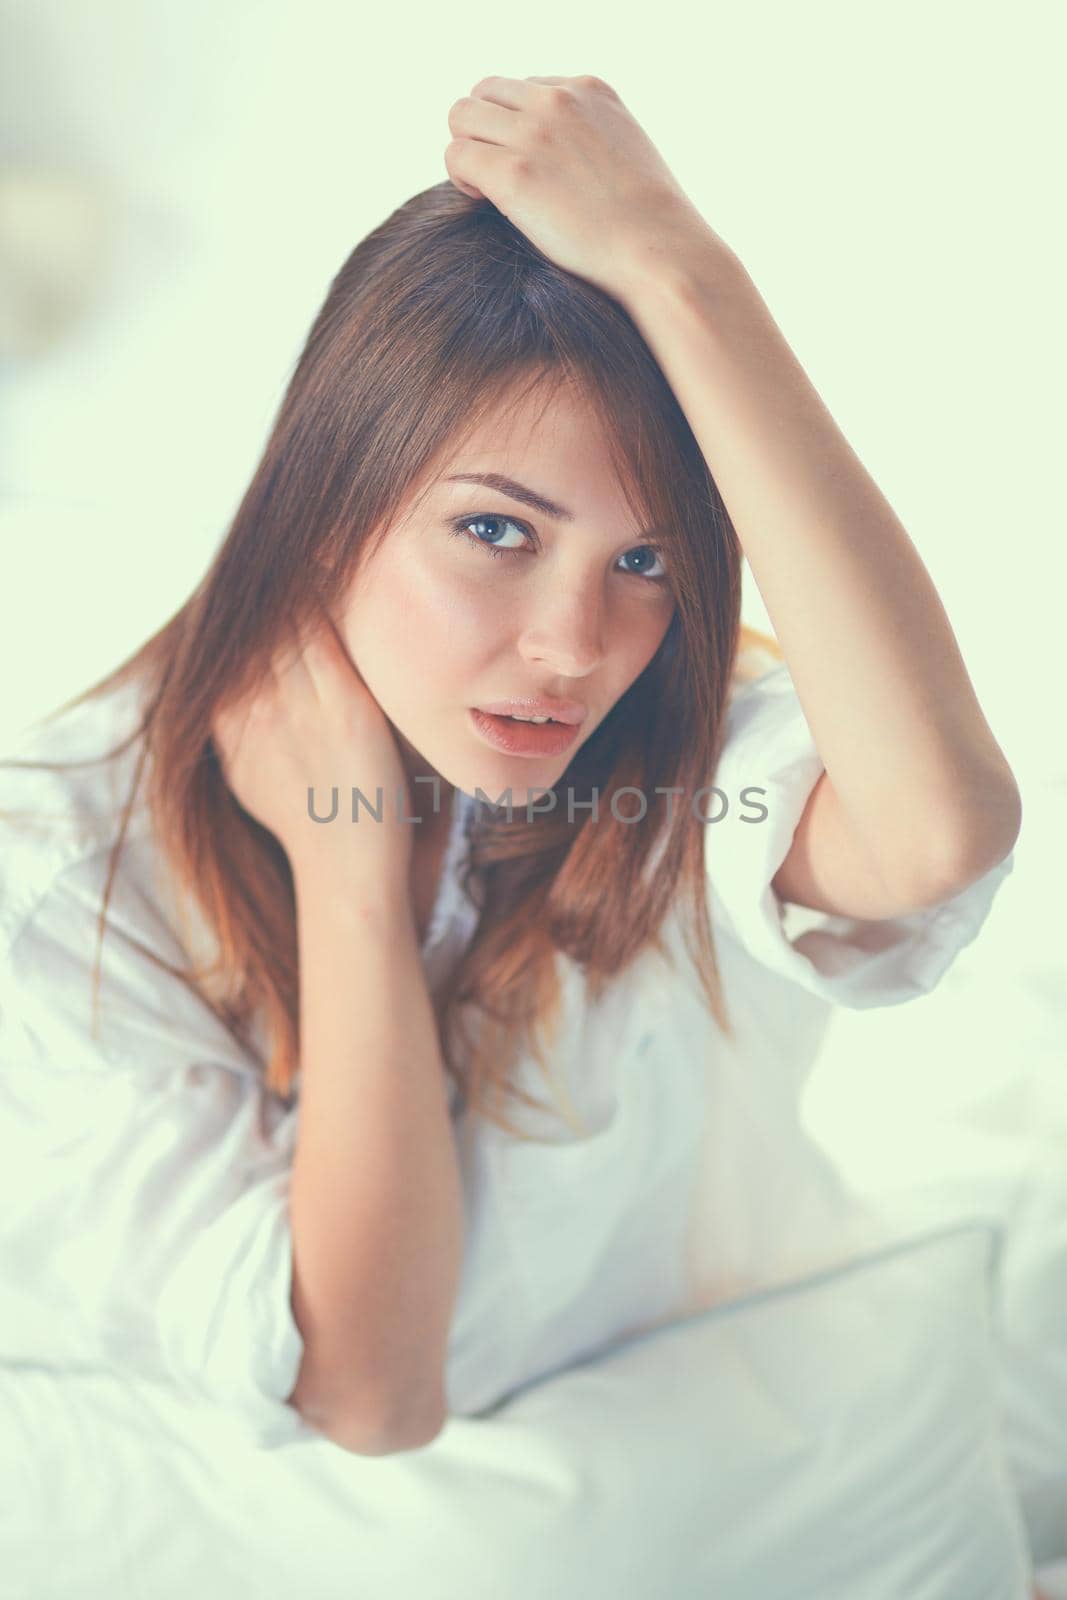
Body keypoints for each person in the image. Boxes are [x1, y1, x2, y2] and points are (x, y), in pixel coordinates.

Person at [0, 74, 1021, 1473]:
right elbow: (369, 1392)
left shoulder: (666, 739)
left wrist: (681, 263)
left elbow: (938, 832)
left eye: (647, 561)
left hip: (710, 1427)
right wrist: (349, 878)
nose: (572, 648)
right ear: (327, 502)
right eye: (494, 531)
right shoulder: (59, 875)